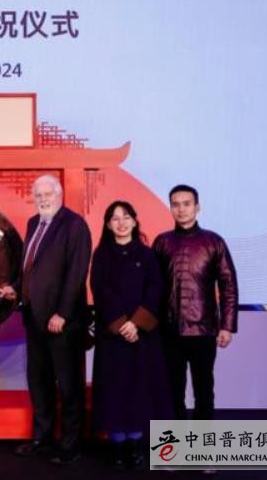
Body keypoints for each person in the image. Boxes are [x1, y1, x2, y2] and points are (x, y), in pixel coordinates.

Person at [2, 174, 92, 466]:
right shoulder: (33, 223)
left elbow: (76, 273)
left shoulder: (74, 225)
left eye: (47, 194)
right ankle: (42, 438)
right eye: (38, 195)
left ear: (59, 194)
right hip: (34, 318)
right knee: (38, 381)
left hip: (62, 321)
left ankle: (71, 444)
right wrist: (15, 289)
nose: (43, 199)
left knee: (68, 384)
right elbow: (30, 268)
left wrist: (62, 313)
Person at [90, 201, 171, 469]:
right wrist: (121, 323)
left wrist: (136, 323)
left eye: (126, 217)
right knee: (114, 388)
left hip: (141, 336)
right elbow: (100, 290)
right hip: (112, 335)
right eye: (115, 219)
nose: (121, 223)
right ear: (108, 224)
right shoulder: (101, 255)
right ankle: (117, 444)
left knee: (138, 389)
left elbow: (156, 288)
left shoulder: (147, 254)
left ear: (135, 221)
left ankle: (135, 444)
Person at [152, 184, 238, 423]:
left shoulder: (213, 242)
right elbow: (152, 287)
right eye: (176, 204)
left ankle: (200, 443)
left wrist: (227, 326)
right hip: (169, 330)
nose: (181, 209)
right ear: (171, 208)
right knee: (171, 392)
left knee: (204, 391)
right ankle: (175, 443)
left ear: (197, 207)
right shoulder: (162, 242)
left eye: (187, 204)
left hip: (204, 329)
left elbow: (229, 285)